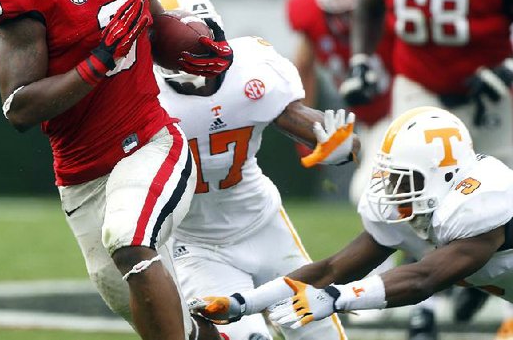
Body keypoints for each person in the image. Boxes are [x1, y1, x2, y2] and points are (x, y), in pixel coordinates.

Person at [0, 0, 234, 340]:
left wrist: (192, 45)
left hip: (151, 142)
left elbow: (154, 27)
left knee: (130, 241)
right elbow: (20, 109)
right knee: (163, 317)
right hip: (82, 176)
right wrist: (98, 61)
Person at [340, 0, 513, 338]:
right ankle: (429, 304)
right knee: (397, 192)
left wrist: (507, 68)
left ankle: (500, 306)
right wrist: (361, 60)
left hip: (491, 93)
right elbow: (369, 5)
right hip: (419, 83)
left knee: (502, 202)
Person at [188, 106, 513, 338]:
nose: (393, 190)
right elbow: (331, 269)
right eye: (390, 178)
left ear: (445, 175)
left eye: (404, 180)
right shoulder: (418, 208)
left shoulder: (479, 204)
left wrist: (336, 299)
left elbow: (422, 279)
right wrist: (243, 303)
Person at [153, 0, 354, 340]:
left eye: (199, 35)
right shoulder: (143, 92)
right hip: (195, 245)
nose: (191, 49)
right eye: (176, 43)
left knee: (320, 332)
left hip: (263, 224)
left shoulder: (250, 67)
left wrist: (337, 141)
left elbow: (302, 119)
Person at [287, 0, 393, 205]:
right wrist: (303, 128)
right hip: (362, 116)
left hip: (401, 105)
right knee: (375, 193)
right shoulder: (306, 9)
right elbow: (304, 66)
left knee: (375, 191)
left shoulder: (388, 2)